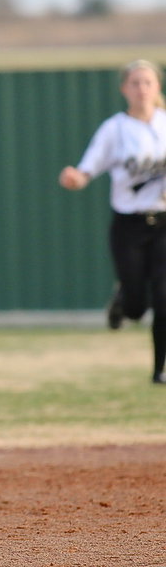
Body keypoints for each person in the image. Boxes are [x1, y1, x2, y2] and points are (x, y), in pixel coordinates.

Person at [59, 58, 166, 384]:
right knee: (137, 307)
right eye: (135, 83)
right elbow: (87, 169)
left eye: (147, 82)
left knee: (164, 299)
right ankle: (124, 299)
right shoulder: (115, 128)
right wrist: (75, 178)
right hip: (129, 225)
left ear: (157, 87)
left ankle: (159, 370)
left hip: (163, 222)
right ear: (124, 89)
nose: (141, 89)